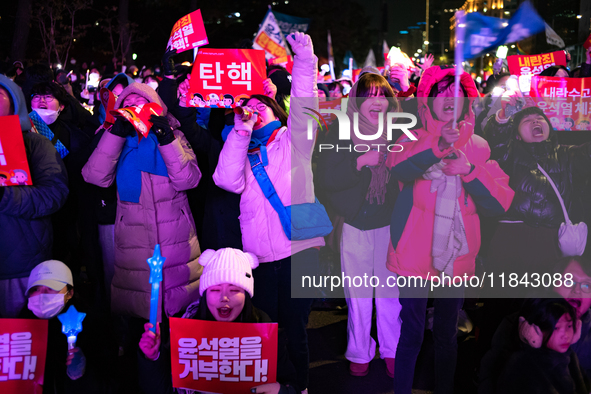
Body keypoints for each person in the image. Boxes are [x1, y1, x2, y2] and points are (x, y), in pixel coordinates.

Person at [385, 65, 514, 394]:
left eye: (456, 92)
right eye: (440, 92)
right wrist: (437, 147)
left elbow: (498, 203)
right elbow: (396, 164)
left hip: (455, 257)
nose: (448, 98)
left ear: (467, 100)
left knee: (446, 335)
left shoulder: (480, 147)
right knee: (411, 332)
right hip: (413, 252)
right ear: (427, 101)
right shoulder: (412, 138)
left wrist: (469, 170)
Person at [213, 32, 322, 392]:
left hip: (300, 251)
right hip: (260, 256)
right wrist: (240, 132)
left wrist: (304, 59)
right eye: (248, 107)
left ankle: (300, 387)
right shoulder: (241, 150)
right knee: (266, 328)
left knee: (296, 328)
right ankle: (271, 385)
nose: (255, 111)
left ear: (277, 110)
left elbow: (306, 102)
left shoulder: (295, 140)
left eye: (262, 107)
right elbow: (225, 180)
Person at [82, 82, 203, 321]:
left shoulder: (174, 134)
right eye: (126, 105)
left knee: (179, 303)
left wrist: (166, 139)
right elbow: (94, 176)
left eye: (140, 103)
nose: (133, 108)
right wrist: (115, 134)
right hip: (133, 233)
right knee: (138, 303)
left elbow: (189, 180)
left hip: (176, 232)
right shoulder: (111, 136)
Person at [316, 72, 401, 378]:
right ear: (357, 101)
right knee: (359, 293)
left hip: (390, 223)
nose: (376, 102)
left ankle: (392, 349)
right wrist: (359, 163)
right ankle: (359, 350)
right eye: (369, 96)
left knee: (390, 293)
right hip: (353, 223)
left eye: (382, 95)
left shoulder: (399, 131)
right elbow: (326, 179)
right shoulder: (340, 131)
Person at [137, 248, 301, 394]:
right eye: (215, 289)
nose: (224, 297)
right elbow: (160, 389)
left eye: (234, 289)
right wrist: (153, 358)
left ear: (246, 295)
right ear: (205, 294)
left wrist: (280, 390)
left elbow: (292, 384)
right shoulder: (185, 333)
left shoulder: (264, 331)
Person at [0, 74, 69, 318]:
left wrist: (5, 197)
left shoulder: (36, 144)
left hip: (20, 264)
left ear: (14, 102)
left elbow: (54, 194)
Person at [479, 256, 591, 393]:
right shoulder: (520, 324)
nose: (577, 290)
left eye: (586, 285)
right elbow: (488, 375)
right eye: (569, 281)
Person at [20, 260, 116, 394]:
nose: (43, 295)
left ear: (70, 293)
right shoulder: (18, 328)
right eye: (35, 289)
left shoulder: (92, 326)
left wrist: (82, 373)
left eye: (51, 288)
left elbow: (107, 381)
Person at [29, 82, 92, 271]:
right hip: (32, 204)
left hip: (65, 208)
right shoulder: (20, 128)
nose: (42, 101)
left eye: (49, 97)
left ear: (62, 106)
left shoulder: (73, 133)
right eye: (37, 96)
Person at [496, 298, 588, 394]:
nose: (565, 335)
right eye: (556, 328)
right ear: (533, 331)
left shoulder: (570, 356)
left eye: (569, 326)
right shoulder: (522, 366)